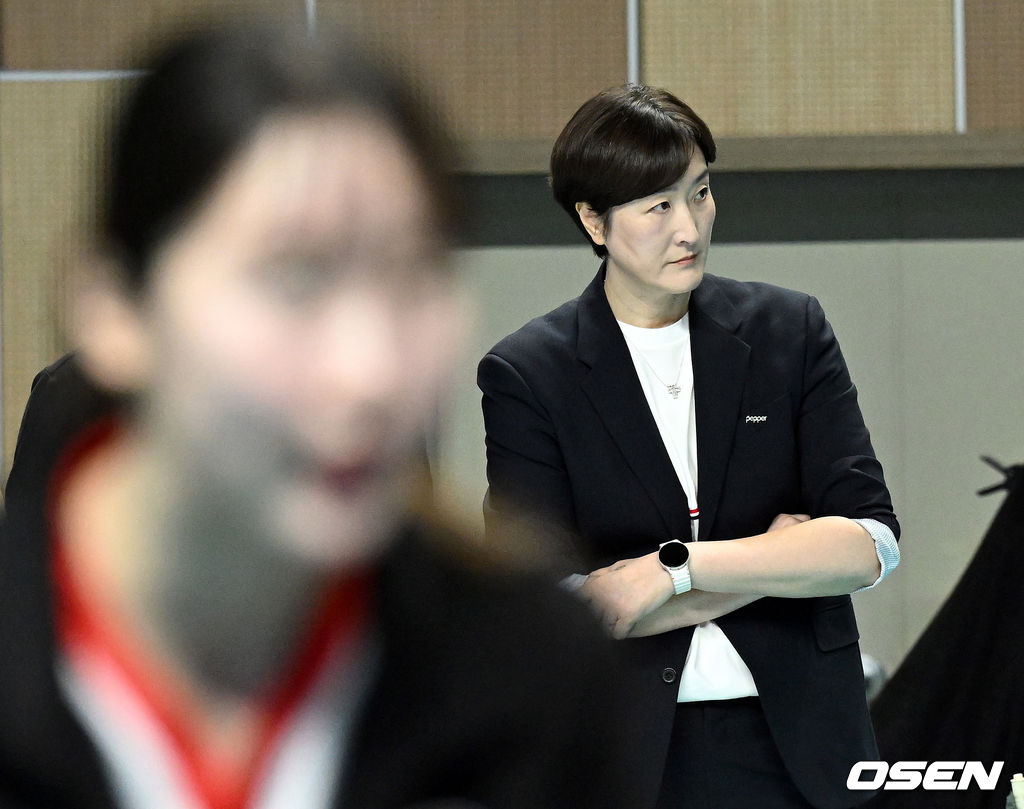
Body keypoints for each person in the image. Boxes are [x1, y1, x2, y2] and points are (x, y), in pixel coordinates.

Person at [0, 25, 642, 809]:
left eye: (412, 277)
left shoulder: (534, 678)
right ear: (112, 306)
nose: (369, 372)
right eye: (294, 279)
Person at [478, 85, 901, 809]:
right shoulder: (530, 373)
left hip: (803, 747)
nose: (690, 227)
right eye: (658, 206)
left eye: (700, 193)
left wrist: (671, 570)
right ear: (593, 220)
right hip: (626, 752)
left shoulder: (789, 331)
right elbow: (543, 611)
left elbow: (870, 545)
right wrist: (776, 561)